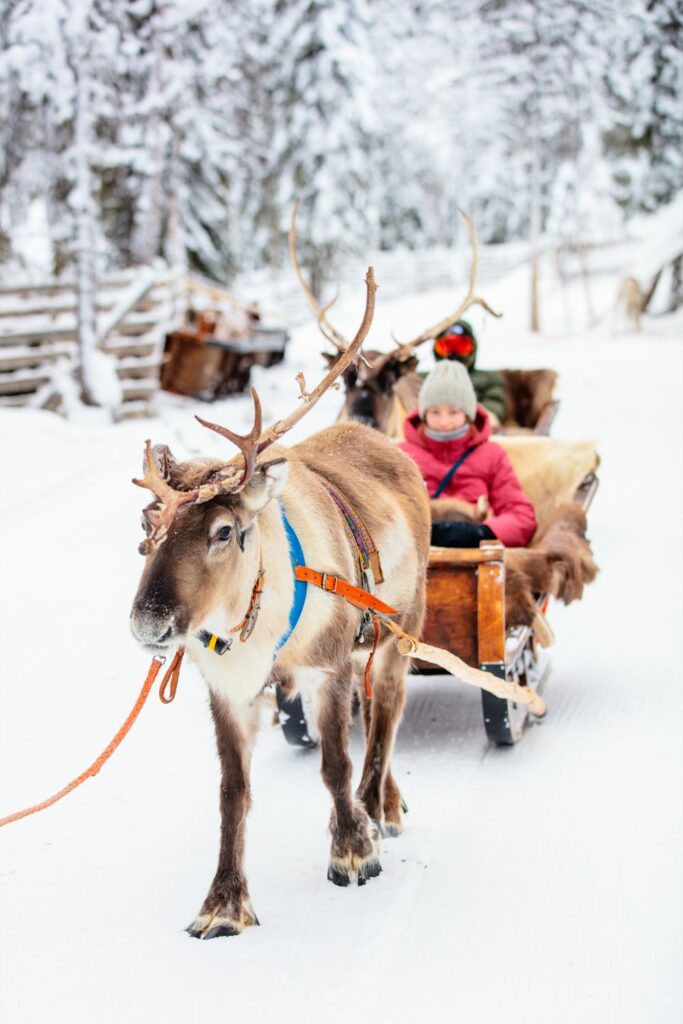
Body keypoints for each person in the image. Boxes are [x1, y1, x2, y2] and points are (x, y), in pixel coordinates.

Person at [399, 361, 537, 548]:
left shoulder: (491, 455)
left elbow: (522, 517)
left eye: (453, 412)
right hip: (416, 551)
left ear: (468, 413)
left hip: (475, 555)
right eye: (435, 412)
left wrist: (481, 533)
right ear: (423, 414)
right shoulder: (402, 455)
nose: (444, 421)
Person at [433, 319, 506, 426]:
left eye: (461, 346)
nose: (453, 353)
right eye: (446, 347)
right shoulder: (428, 380)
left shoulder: (490, 378)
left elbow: (494, 410)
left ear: (473, 348)